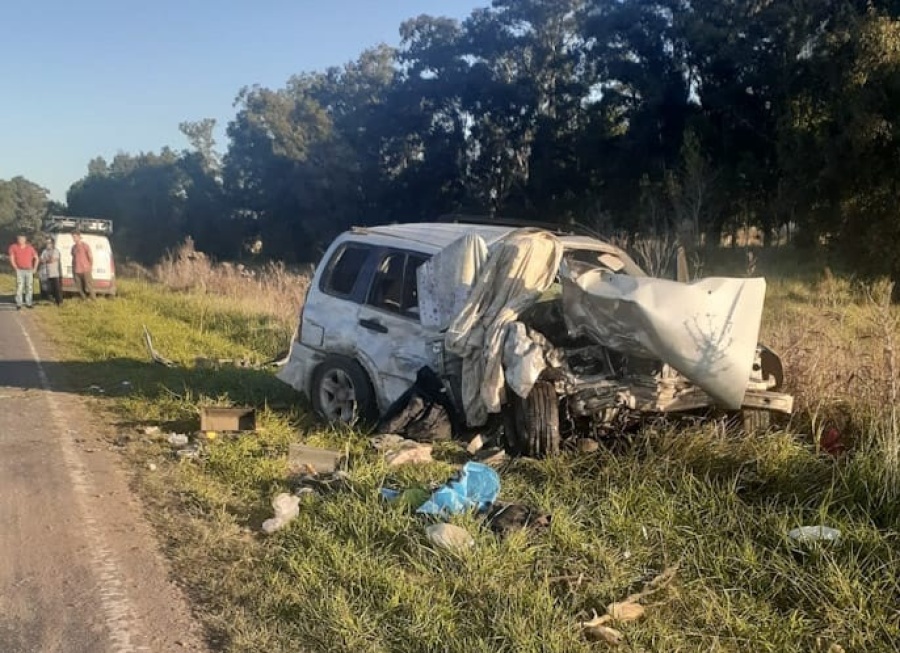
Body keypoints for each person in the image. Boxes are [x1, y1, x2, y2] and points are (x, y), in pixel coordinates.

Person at [7, 234, 39, 310]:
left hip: (29, 270)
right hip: (19, 270)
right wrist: (15, 267)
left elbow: (37, 258)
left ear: (25, 240)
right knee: (19, 286)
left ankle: (29, 303)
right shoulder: (13, 247)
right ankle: (19, 303)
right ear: (17, 239)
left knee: (29, 287)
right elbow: (11, 258)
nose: (21, 240)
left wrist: (35, 268)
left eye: (22, 239)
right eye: (19, 239)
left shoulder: (30, 248)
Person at [71, 231, 95, 300]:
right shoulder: (73, 247)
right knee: (80, 287)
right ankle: (84, 300)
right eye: (73, 237)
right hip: (76, 270)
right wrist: (73, 269)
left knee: (89, 286)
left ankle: (94, 300)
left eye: (75, 237)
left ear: (79, 237)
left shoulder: (85, 246)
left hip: (85, 270)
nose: (73, 238)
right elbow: (73, 258)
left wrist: (90, 267)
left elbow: (90, 257)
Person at [40, 237, 63, 306]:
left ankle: (59, 302)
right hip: (46, 273)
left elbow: (52, 260)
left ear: (52, 244)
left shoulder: (56, 251)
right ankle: (52, 301)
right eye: (47, 243)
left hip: (55, 273)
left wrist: (46, 260)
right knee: (49, 289)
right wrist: (46, 260)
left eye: (49, 243)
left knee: (57, 289)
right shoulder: (44, 251)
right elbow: (41, 260)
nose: (47, 244)